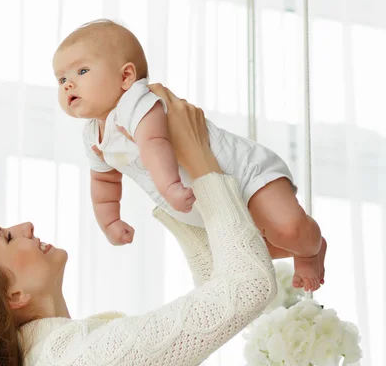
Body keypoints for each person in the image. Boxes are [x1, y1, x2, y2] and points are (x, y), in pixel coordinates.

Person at [0, 84, 277, 365]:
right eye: (6, 237)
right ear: (11, 295)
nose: (24, 226)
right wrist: (199, 159)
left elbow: (218, 300)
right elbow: (247, 288)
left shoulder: (62, 351)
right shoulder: (79, 357)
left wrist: (172, 186)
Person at [53, 19, 326, 291]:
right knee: (251, 248)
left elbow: (154, 143)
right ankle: (301, 247)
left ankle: (309, 251)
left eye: (82, 71)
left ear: (126, 77)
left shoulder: (137, 102)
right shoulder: (93, 135)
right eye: (62, 79)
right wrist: (109, 221)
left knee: (289, 230)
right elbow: (104, 182)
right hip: (207, 202)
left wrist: (171, 187)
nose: (67, 85)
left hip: (244, 174)